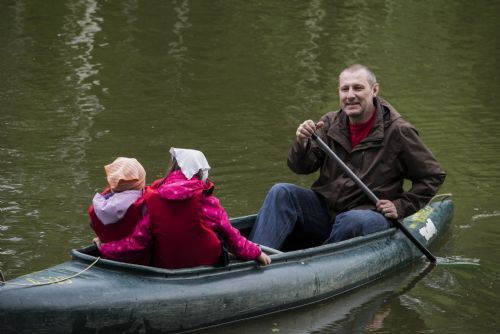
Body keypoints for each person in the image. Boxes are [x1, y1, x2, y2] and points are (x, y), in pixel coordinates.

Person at [249, 64, 446, 249]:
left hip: (369, 215)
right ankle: (255, 256)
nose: (350, 95)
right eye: (345, 89)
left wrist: (401, 206)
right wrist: (302, 143)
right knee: (282, 192)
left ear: (374, 90)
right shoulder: (329, 123)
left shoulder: (399, 131)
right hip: (326, 211)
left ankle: (318, 261)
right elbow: (301, 167)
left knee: (353, 220)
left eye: (358, 88)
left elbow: (433, 175)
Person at [94, 148, 271, 268]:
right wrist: (256, 253)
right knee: (220, 235)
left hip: (166, 265)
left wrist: (105, 248)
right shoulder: (206, 201)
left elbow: (136, 243)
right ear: (200, 173)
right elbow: (232, 236)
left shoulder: (153, 201)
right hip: (206, 261)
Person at [89, 157, 150, 265]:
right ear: (140, 180)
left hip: (107, 259)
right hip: (140, 262)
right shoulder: (145, 205)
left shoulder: (96, 207)